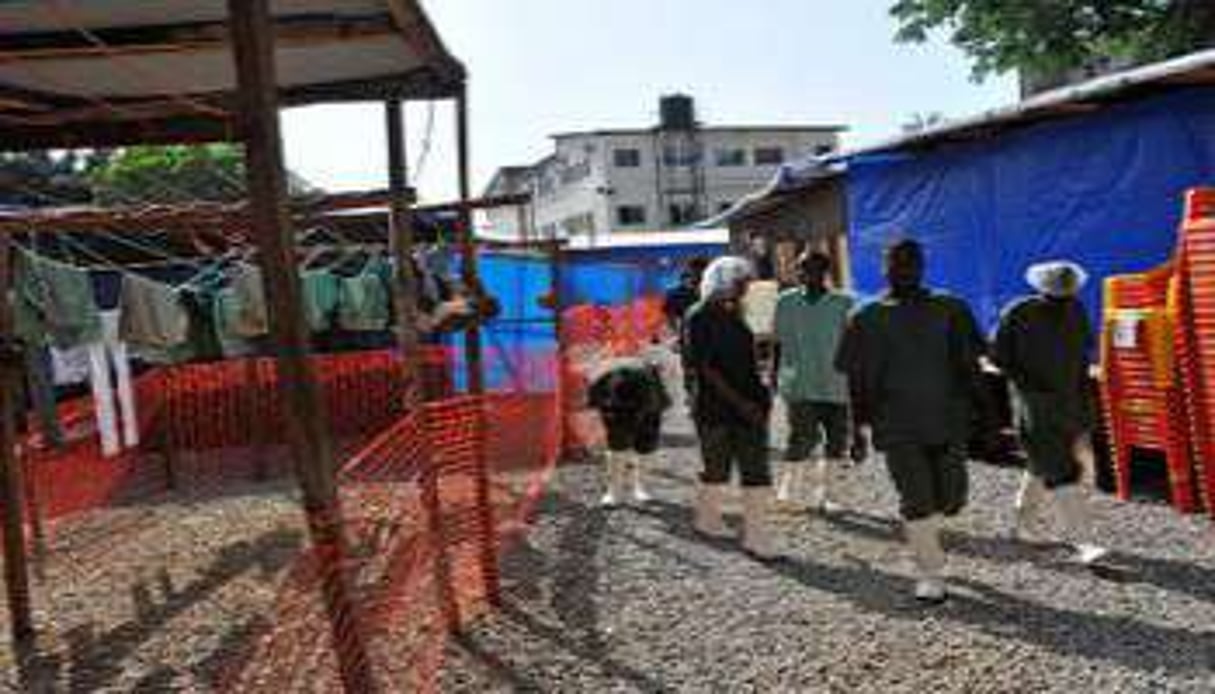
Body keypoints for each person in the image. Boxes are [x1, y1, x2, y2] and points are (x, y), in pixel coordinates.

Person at [835, 239, 984, 603]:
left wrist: (987, 417)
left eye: (910, 262)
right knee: (916, 498)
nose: (903, 269)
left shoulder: (950, 309)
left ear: (922, 265)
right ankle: (930, 572)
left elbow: (970, 366)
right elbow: (854, 379)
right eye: (895, 262)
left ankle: (927, 541)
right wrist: (857, 430)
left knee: (951, 499)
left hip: (947, 421)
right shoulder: (865, 317)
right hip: (897, 424)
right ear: (883, 267)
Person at [992, 260, 1108, 565]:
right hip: (1035, 405)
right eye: (1058, 295)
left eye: (1066, 294)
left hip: (1067, 402)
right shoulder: (1019, 313)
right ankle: (1083, 540)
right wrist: (1030, 386)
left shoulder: (1075, 311)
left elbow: (1082, 358)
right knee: (1061, 469)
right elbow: (999, 357)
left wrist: (1085, 403)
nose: (1062, 299)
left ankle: (1022, 523)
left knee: (1041, 462)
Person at [684, 256, 777, 558]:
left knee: (756, 469)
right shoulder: (698, 316)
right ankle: (708, 519)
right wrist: (742, 404)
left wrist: (760, 396)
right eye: (741, 282)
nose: (746, 287)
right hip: (717, 406)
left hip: (747, 405)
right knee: (716, 468)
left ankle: (757, 536)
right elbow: (705, 368)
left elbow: (750, 358)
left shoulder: (736, 312)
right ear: (723, 280)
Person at [772, 250, 854, 513]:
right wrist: (774, 377)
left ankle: (829, 495)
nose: (805, 274)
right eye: (801, 269)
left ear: (824, 272)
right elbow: (778, 343)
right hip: (799, 382)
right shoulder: (785, 301)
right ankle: (789, 489)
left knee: (837, 441)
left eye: (811, 269)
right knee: (801, 437)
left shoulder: (843, 302)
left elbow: (852, 344)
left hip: (836, 383)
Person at [587, 355, 672, 506]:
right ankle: (613, 491)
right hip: (612, 387)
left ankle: (641, 486)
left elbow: (663, 350)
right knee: (617, 444)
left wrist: (659, 360)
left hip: (648, 386)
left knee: (646, 444)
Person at [663, 257, 708, 335]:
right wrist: (676, 333)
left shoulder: (713, 292)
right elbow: (670, 317)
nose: (698, 274)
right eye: (695, 270)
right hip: (690, 335)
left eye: (701, 271)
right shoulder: (676, 294)